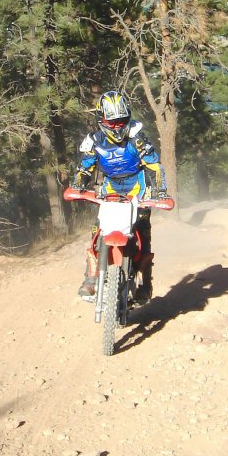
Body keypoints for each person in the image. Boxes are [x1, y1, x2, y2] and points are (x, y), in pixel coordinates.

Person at [70, 90, 168, 302]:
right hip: (111, 188)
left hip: (138, 186)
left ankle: (145, 282)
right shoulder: (94, 141)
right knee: (99, 228)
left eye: (120, 121)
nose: (116, 126)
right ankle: (90, 277)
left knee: (143, 227)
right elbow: (85, 168)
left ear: (128, 118)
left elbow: (155, 166)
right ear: (101, 119)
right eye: (110, 121)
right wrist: (77, 186)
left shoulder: (137, 138)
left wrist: (161, 192)